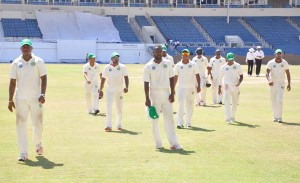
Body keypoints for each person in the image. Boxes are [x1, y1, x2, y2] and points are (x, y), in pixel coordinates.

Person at [8, 39, 47, 161]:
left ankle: (37, 144)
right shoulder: (15, 63)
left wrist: (43, 94)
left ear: (31, 48)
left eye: (28, 46)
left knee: (38, 123)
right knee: (21, 125)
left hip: (36, 98)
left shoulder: (38, 61)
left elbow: (44, 78)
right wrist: (10, 100)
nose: (26, 48)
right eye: (23, 47)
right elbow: (12, 82)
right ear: (20, 48)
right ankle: (23, 153)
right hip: (21, 99)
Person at [144, 45, 183, 150]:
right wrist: (147, 98)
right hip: (154, 93)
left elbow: (171, 78)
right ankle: (158, 143)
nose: (158, 54)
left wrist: (172, 92)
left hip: (166, 93)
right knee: (155, 119)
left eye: (160, 52)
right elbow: (146, 83)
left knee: (169, 118)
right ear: (153, 53)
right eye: (157, 52)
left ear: (162, 53)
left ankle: (174, 143)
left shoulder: (168, 63)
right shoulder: (148, 66)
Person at [99, 52, 129, 131]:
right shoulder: (107, 67)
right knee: (108, 108)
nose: (117, 59)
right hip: (110, 90)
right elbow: (103, 78)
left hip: (119, 90)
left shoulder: (122, 67)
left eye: (118, 57)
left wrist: (126, 87)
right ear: (111, 58)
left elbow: (126, 77)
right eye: (115, 57)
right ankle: (108, 126)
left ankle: (119, 124)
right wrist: (101, 89)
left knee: (119, 108)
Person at [174, 49, 201, 128]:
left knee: (190, 105)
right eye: (184, 54)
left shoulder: (193, 64)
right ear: (182, 55)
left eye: (187, 54)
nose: (185, 55)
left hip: (191, 88)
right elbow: (175, 77)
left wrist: (198, 86)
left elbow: (197, 75)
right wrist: (173, 88)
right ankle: (180, 122)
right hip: (181, 87)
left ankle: (188, 122)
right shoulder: (178, 65)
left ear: (189, 55)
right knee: (180, 105)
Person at [266, 49, 291, 123]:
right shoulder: (271, 62)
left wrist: (289, 83)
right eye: (278, 53)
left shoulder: (285, 62)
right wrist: (269, 80)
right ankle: (275, 116)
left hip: (281, 83)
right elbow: (267, 72)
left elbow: (288, 73)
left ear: (281, 54)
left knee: (279, 100)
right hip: (273, 83)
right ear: (275, 54)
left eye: (280, 53)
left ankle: (279, 117)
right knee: (273, 100)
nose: (279, 55)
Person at [218, 53, 243, 124]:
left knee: (235, 102)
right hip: (226, 85)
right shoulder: (223, 67)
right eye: (229, 60)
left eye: (232, 59)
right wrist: (219, 87)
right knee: (227, 102)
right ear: (226, 59)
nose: (231, 61)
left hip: (235, 85)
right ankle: (227, 118)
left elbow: (241, 76)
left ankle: (232, 116)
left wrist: (239, 82)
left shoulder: (237, 66)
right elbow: (220, 77)